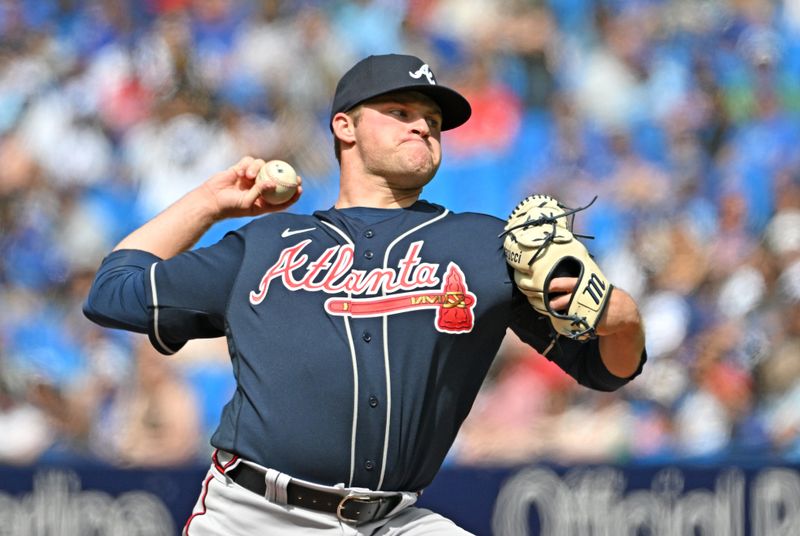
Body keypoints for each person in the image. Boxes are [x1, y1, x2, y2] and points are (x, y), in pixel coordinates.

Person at [83, 53, 646, 535]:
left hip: (392, 520)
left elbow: (607, 369)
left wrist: (619, 315)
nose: (422, 126)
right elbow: (112, 291)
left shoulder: (484, 245)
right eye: (400, 112)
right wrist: (210, 202)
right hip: (256, 514)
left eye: (431, 118)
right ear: (345, 127)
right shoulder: (266, 243)